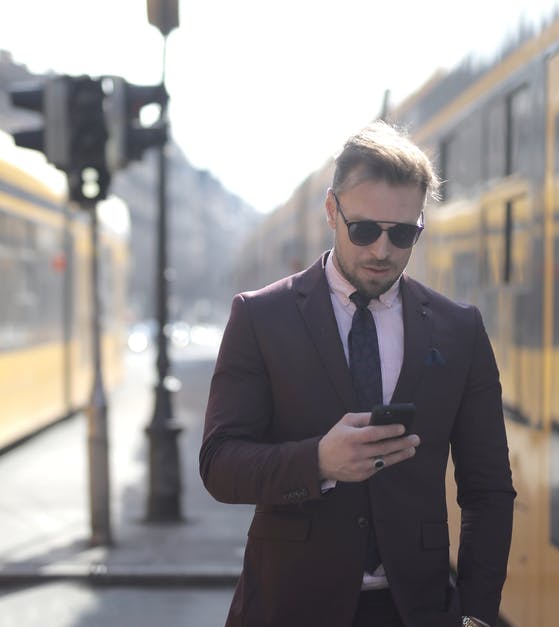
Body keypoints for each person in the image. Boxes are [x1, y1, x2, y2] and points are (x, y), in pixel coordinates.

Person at [200, 120, 514, 627]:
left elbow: (488, 491)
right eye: (364, 230)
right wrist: (318, 462)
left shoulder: (460, 330)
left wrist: (477, 616)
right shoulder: (261, 317)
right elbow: (220, 464)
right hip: (289, 608)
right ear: (332, 211)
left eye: (403, 233)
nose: (382, 250)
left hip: (417, 612)